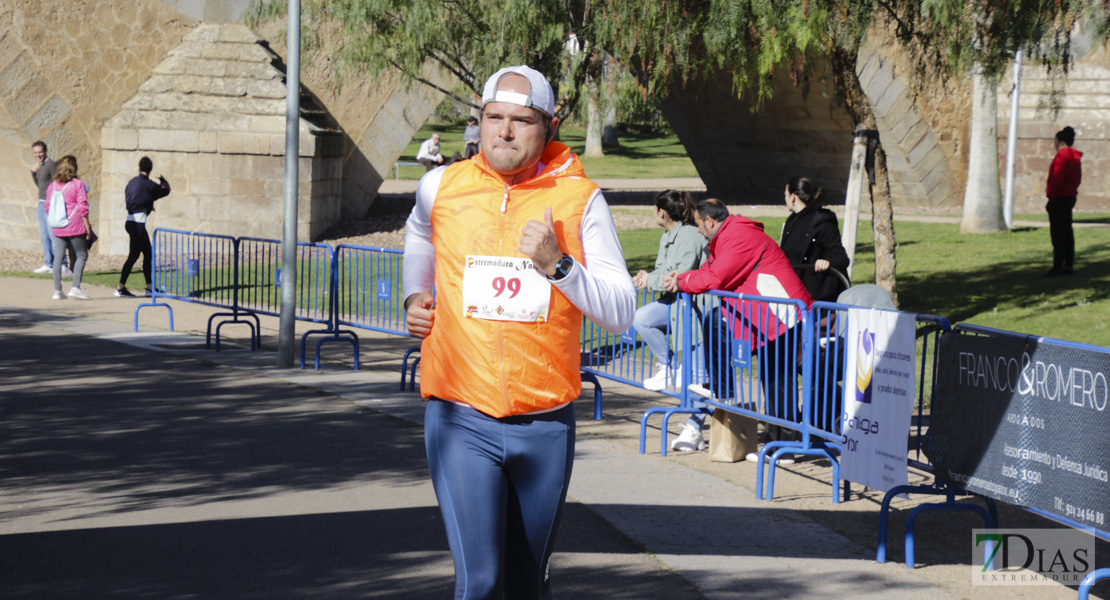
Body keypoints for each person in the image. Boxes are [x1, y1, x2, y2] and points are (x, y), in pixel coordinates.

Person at [403, 65, 635, 599]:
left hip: (545, 423)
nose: (504, 131)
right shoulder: (441, 185)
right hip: (461, 415)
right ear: (480, 121)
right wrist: (416, 295)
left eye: (521, 121)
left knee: (527, 581)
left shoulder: (581, 200)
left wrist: (559, 266)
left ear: (548, 127)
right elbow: (419, 233)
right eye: (494, 118)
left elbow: (622, 311)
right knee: (480, 580)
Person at [663, 198, 813, 459]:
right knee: (771, 373)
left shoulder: (737, 236)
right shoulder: (727, 236)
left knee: (777, 378)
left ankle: (783, 445)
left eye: (698, 224)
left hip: (781, 314)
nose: (698, 230)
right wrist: (683, 278)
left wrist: (683, 281)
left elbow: (715, 277)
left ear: (710, 221)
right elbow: (710, 270)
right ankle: (730, 396)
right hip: (767, 314)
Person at [631, 190, 707, 394]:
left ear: (662, 212)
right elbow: (663, 270)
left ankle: (695, 420)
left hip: (694, 307)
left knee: (697, 380)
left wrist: (650, 281)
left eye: (655, 210)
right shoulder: (667, 236)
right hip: (674, 302)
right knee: (640, 318)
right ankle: (669, 366)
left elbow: (680, 275)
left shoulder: (689, 235)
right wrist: (645, 278)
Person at [780, 176, 850, 302]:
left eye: (786, 194)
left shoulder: (823, 222)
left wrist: (827, 262)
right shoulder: (791, 221)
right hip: (794, 295)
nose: (785, 198)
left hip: (820, 298)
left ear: (793, 197)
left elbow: (841, 258)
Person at [116, 156, 171, 298]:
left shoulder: (131, 182)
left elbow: (131, 198)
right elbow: (165, 190)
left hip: (130, 222)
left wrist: (147, 204)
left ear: (139, 167)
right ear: (150, 170)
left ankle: (149, 288)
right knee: (133, 257)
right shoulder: (149, 184)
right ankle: (120, 288)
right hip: (138, 224)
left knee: (148, 253)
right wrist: (163, 180)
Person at [45, 155, 92, 300]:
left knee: (58, 258)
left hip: (58, 226)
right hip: (75, 224)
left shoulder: (52, 185)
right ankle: (75, 287)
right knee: (81, 255)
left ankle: (57, 290)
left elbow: (47, 207)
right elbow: (83, 207)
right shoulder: (78, 184)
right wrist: (88, 227)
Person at [1045, 126, 1082, 276]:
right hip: (1070, 196)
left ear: (1059, 141)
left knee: (1058, 233)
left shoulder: (1062, 156)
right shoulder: (1074, 157)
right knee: (1067, 231)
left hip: (1059, 197)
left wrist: (1051, 196)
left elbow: (1057, 178)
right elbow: (1077, 178)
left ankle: (1058, 265)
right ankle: (1068, 264)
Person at [30, 141, 69, 276]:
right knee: (44, 236)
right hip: (41, 204)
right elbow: (40, 185)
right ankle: (49, 264)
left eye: (40, 152)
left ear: (45, 151)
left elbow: (58, 183)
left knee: (54, 236)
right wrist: (33, 173)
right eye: (35, 152)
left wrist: (55, 202)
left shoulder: (51, 165)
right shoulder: (40, 166)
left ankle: (63, 265)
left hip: (50, 204)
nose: (38, 155)